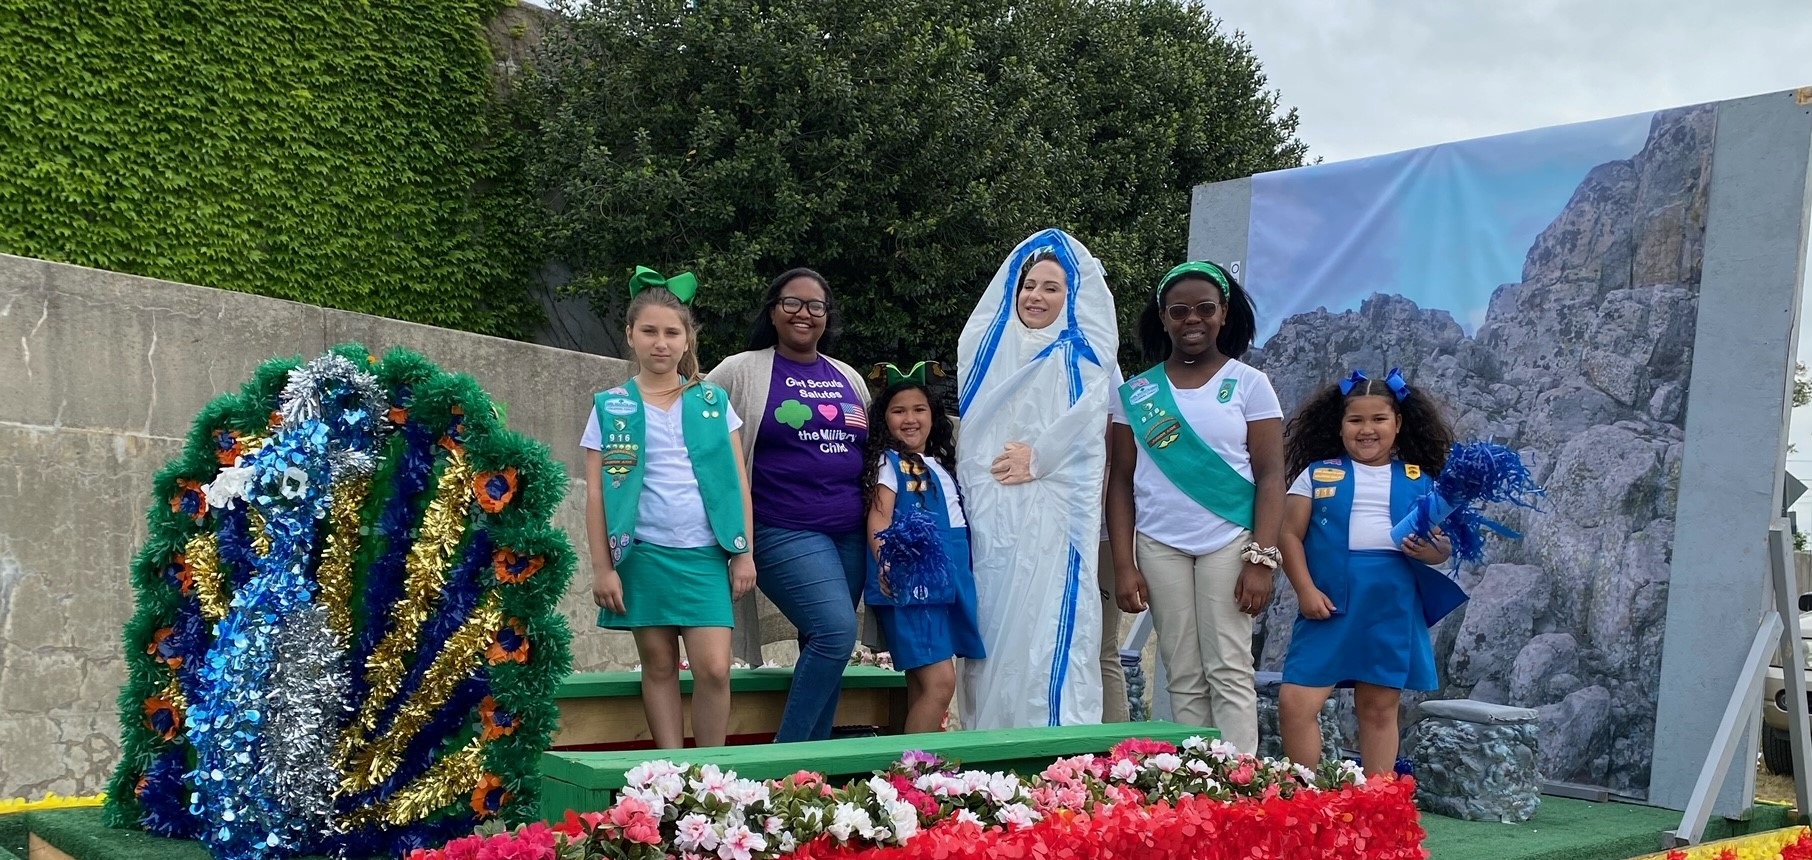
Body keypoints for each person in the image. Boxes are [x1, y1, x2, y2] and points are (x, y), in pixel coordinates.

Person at [1106, 260, 1283, 754]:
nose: (1193, 320)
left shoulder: (1250, 383)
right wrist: (1124, 564)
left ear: (1224, 313)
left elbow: (1271, 477)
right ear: (1163, 318)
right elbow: (1119, 482)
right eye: (1179, 311)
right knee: (1180, 672)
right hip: (1159, 543)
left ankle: (1240, 783)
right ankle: (1200, 787)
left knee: (1228, 666)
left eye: (1205, 309)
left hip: (1230, 540)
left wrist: (1262, 559)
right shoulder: (1137, 394)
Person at [583, 267, 756, 749]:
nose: (661, 343)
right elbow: (597, 493)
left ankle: (714, 773)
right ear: (631, 336)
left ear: (688, 340)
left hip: (705, 555)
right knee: (658, 665)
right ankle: (671, 771)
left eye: (672, 333)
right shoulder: (610, 406)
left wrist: (744, 552)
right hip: (643, 556)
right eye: (649, 331)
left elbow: (737, 482)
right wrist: (603, 568)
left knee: (715, 669)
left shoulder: (713, 402)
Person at [956, 229, 1117, 729]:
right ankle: (987, 743)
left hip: (1054, 507)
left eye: (1052, 287)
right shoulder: (988, 351)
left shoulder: (1085, 358)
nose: (1037, 296)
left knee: (1047, 624)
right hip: (993, 515)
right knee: (994, 618)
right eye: (1029, 284)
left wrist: (1040, 457)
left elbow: (1090, 424)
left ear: (1073, 297)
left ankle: (1054, 747)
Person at [706, 268, 871, 743]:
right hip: (782, 527)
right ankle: (785, 762)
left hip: (848, 530)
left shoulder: (848, 378)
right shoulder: (742, 370)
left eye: (816, 306)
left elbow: (870, 447)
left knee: (824, 643)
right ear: (773, 311)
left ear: (827, 317)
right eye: (792, 303)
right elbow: (693, 414)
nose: (804, 313)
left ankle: (811, 773)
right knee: (836, 632)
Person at [1277, 369, 1465, 774]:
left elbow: (1443, 548)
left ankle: (1378, 805)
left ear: (1397, 424)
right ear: (1340, 426)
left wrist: (1430, 551)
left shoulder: (1421, 480)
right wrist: (1305, 589)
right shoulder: (1316, 473)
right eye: (1355, 420)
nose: (1367, 429)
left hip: (1391, 604)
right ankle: (1305, 798)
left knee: (1379, 707)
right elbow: (1289, 536)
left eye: (1378, 419)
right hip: (1328, 603)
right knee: (1296, 702)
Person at [860, 361, 986, 734]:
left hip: (949, 578)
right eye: (898, 411)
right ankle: (911, 770)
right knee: (940, 682)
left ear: (934, 415)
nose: (910, 419)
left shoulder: (940, 464)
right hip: (913, 581)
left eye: (919, 409)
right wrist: (885, 565)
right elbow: (879, 520)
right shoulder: (889, 462)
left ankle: (915, 771)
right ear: (885, 419)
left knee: (922, 682)